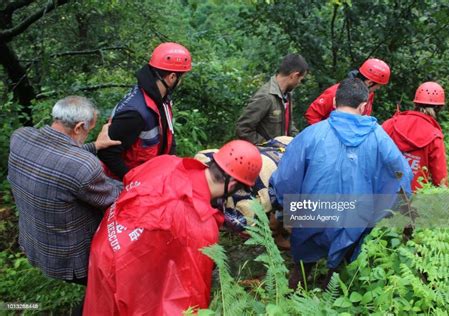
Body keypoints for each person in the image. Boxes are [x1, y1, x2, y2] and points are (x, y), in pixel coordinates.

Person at [83, 140, 262, 315]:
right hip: (128, 270)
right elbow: (192, 290)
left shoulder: (165, 162)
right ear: (232, 185)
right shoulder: (200, 226)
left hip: (104, 247)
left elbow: (130, 178)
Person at [269, 78, 412, 289]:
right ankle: (330, 287)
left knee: (301, 263)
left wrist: (285, 208)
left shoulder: (311, 135)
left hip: (311, 214)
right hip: (354, 217)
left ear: (335, 101)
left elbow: (285, 180)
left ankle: (295, 290)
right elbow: (402, 175)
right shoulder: (380, 138)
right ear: (364, 107)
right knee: (340, 268)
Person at [7, 96, 122, 285]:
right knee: (110, 292)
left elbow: (53, 158)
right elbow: (112, 197)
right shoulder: (83, 166)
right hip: (71, 261)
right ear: (78, 128)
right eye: (88, 131)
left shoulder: (20, 137)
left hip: (35, 244)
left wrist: (94, 146)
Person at [98, 42, 192, 180]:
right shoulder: (135, 113)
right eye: (181, 78)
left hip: (151, 176)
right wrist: (133, 181)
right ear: (172, 77)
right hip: (125, 184)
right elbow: (107, 153)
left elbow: (168, 136)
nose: (181, 82)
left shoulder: (161, 98)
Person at [382, 82, 448, 191]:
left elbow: (372, 153)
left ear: (415, 103)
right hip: (413, 200)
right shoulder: (435, 137)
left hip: (382, 192)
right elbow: (440, 179)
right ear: (438, 109)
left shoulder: (391, 123)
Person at [236, 53, 308, 144]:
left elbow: (288, 125)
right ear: (294, 75)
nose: (299, 83)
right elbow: (243, 128)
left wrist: (300, 141)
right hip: (265, 155)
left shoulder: (287, 95)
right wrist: (268, 145)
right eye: (300, 79)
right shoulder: (266, 97)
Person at [304, 58, 390, 125]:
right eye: (378, 86)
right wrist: (323, 137)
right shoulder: (336, 92)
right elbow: (312, 115)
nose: (378, 88)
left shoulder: (369, 94)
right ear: (370, 83)